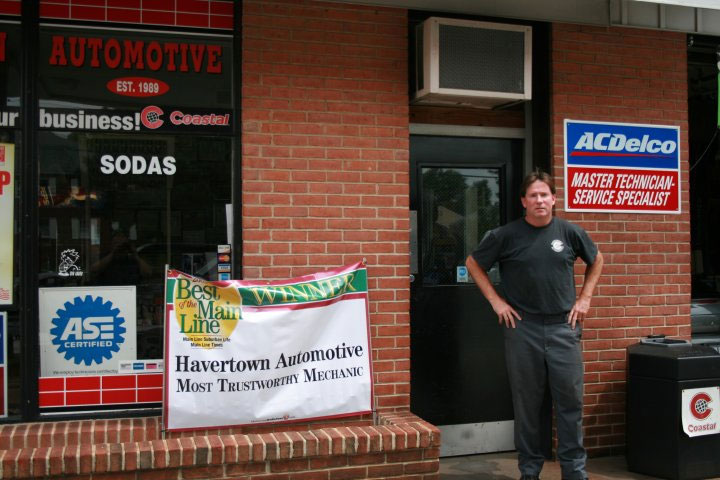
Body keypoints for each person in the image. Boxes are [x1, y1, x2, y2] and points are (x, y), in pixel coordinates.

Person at [465, 169, 603, 480]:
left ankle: (575, 472)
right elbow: (473, 263)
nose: (539, 200)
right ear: (523, 202)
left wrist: (585, 298)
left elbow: (597, 260)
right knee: (527, 405)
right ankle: (530, 471)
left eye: (544, 195)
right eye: (533, 195)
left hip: (563, 328)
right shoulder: (506, 235)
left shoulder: (569, 232)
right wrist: (496, 302)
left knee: (570, 402)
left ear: (554, 199)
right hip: (523, 329)